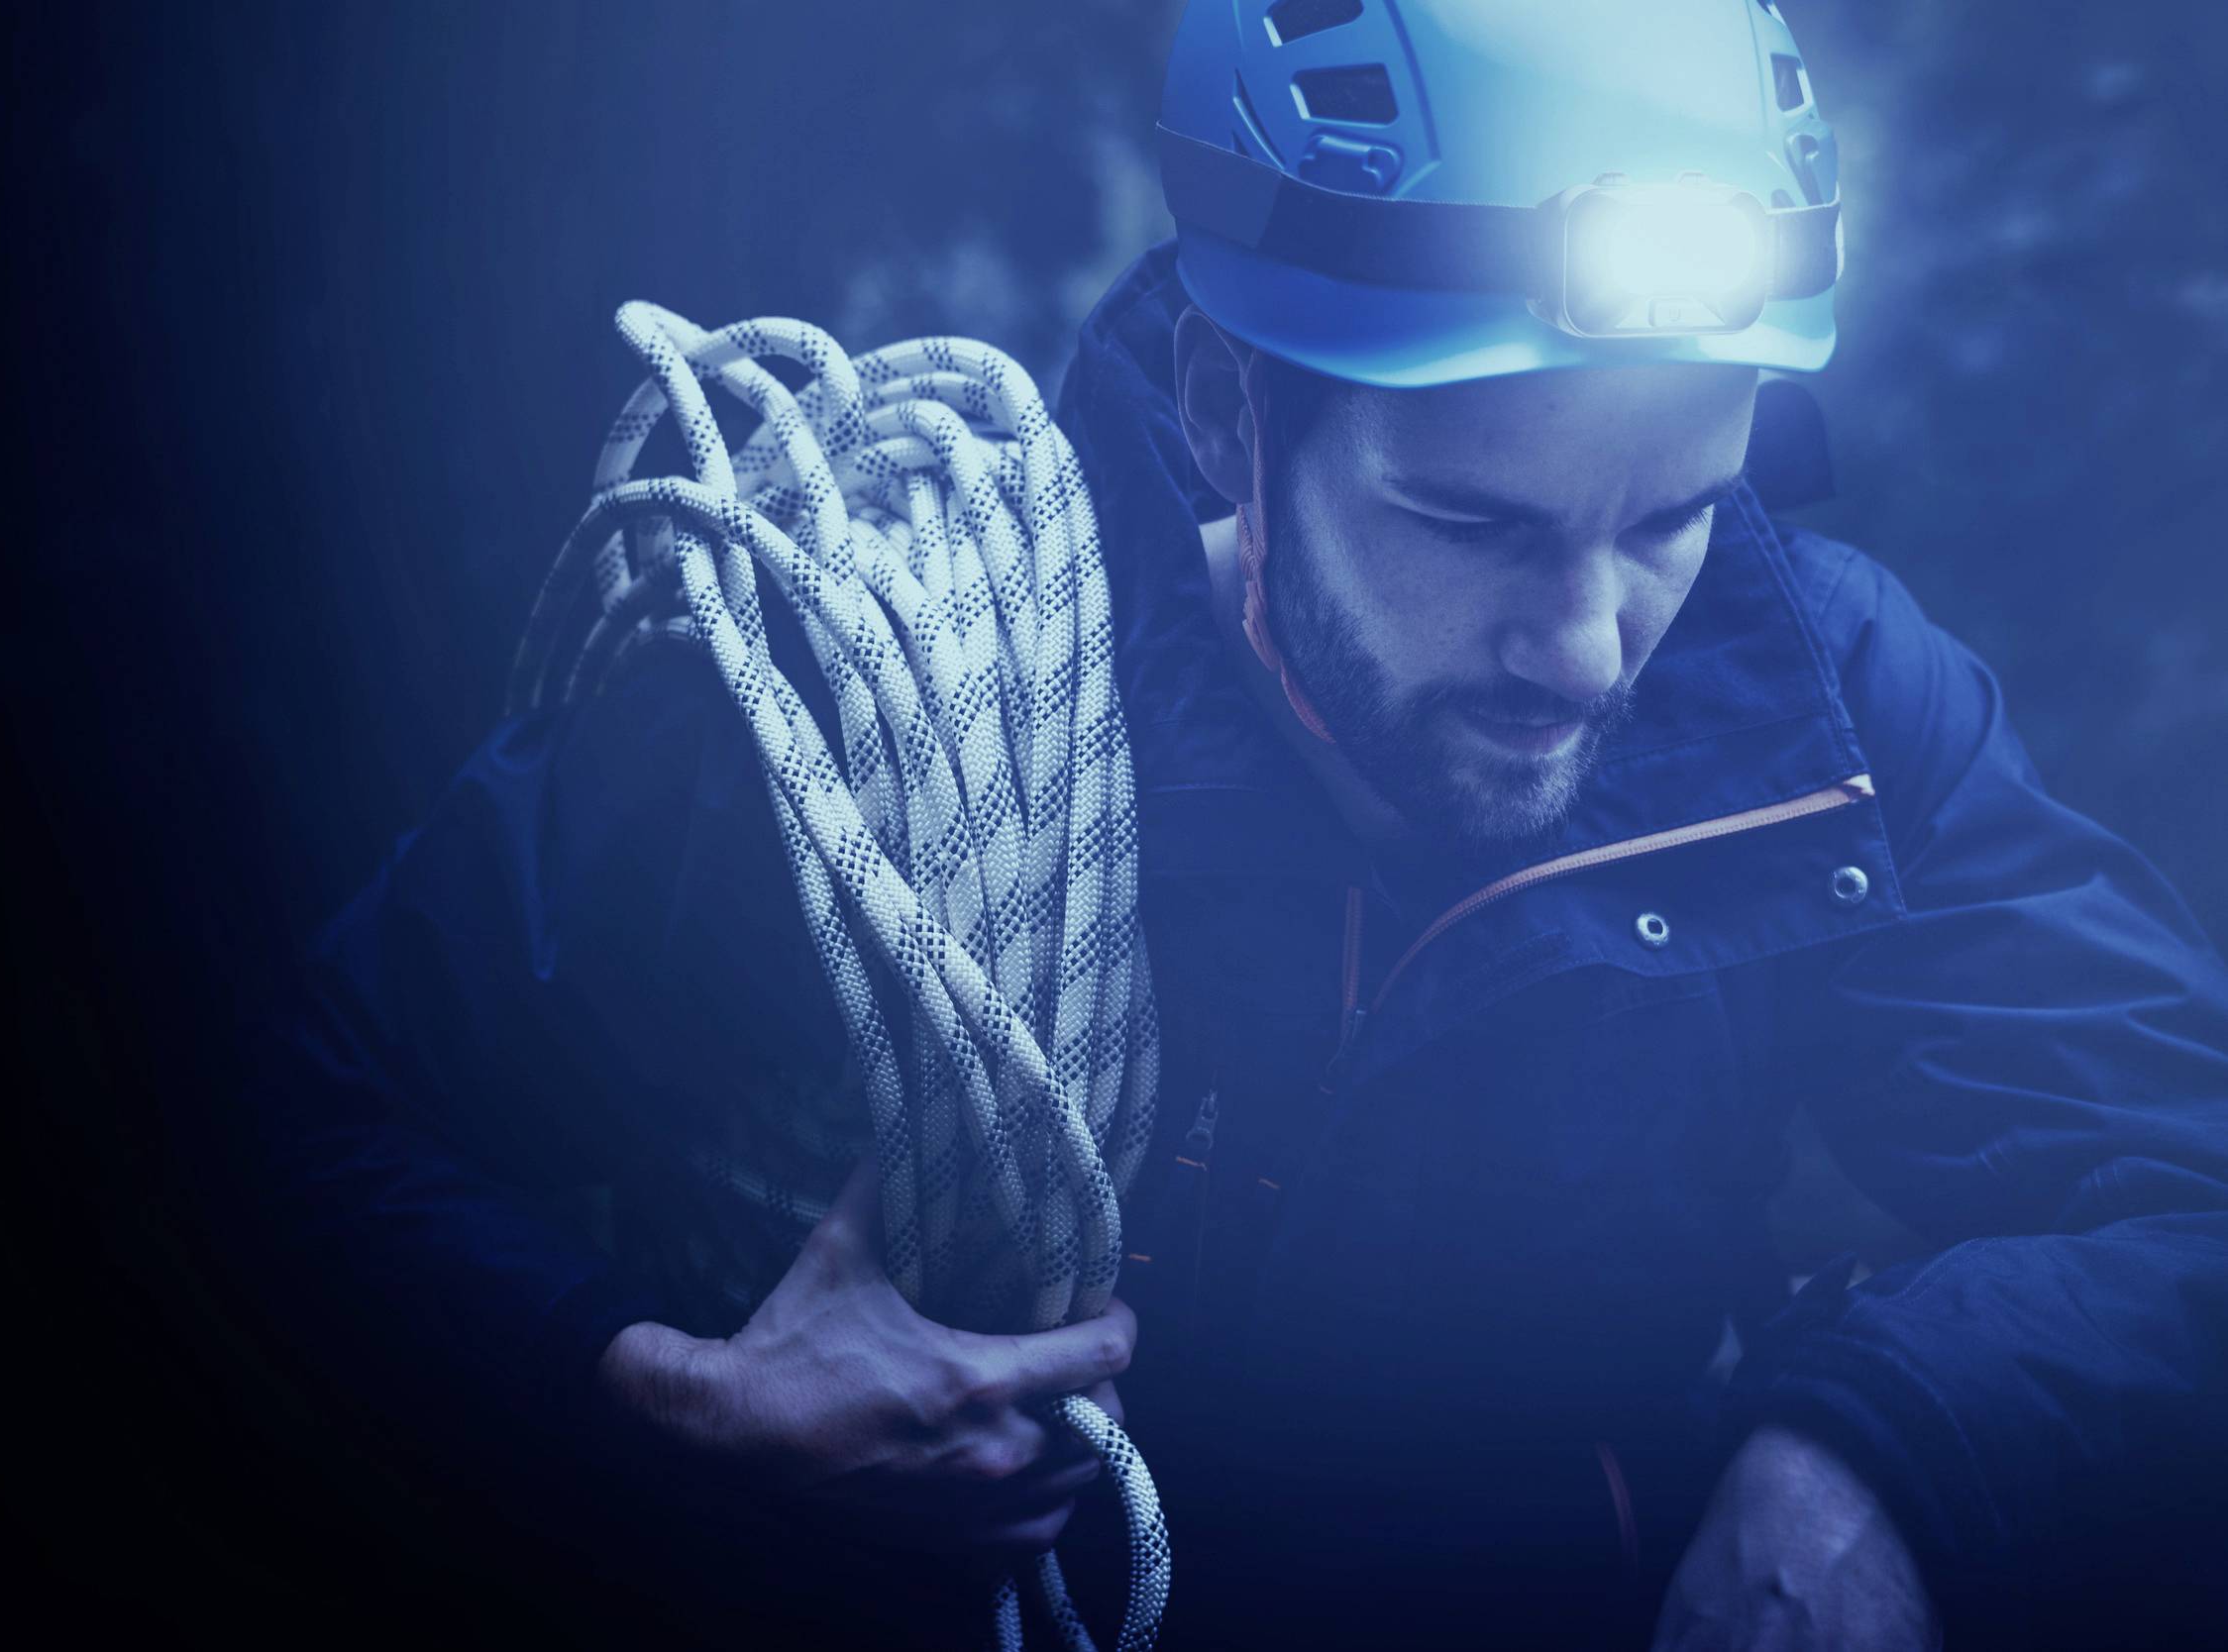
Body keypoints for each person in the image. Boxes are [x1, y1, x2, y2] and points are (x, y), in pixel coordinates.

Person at [230, 3, 2228, 1646]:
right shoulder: (879, 675)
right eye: (1472, 522)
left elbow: (2186, 1185)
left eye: (1672, 517)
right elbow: (282, 1126)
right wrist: (652, 1394)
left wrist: (1877, 1450)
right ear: (1221, 406)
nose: (1585, 642)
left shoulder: (1815, 709)